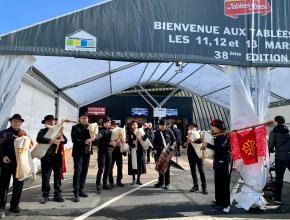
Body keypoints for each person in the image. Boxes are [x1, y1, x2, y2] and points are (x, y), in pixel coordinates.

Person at [0, 114, 28, 218]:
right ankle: (1, 208)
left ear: (21, 123)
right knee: (3, 186)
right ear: (11, 122)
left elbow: (28, 146)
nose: (16, 123)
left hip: (19, 164)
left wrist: (27, 137)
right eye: (14, 121)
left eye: (19, 121)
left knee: (18, 186)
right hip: (6, 163)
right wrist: (3, 156)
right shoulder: (4, 134)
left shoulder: (23, 134)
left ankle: (14, 205)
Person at [202, 119, 232, 213]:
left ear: (218, 127)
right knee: (218, 183)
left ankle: (225, 203)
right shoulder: (217, 136)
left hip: (224, 162)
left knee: (224, 184)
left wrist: (208, 145)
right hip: (218, 162)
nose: (212, 128)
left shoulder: (225, 136)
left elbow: (222, 148)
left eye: (213, 127)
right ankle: (219, 201)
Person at [37, 115, 67, 204]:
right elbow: (39, 139)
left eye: (52, 120)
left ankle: (57, 194)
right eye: (49, 121)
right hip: (46, 157)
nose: (51, 122)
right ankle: (45, 195)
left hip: (57, 157)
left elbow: (66, 140)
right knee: (46, 176)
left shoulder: (59, 130)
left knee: (57, 176)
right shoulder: (43, 131)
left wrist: (62, 139)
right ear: (45, 123)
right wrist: (51, 141)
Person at [71, 114, 94, 202]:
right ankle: (76, 192)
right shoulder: (75, 127)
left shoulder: (90, 128)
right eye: (84, 118)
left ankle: (81, 190)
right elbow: (74, 140)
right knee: (78, 171)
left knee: (84, 171)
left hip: (87, 152)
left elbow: (94, 139)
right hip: (78, 153)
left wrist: (94, 138)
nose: (86, 119)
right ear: (80, 119)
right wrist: (84, 141)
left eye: (87, 118)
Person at [268, 115, 290, 204]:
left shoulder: (274, 132)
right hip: (289, 157)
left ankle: (277, 198)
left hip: (280, 158)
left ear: (276, 122)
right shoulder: (288, 131)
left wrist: (273, 150)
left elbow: (270, 147)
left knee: (279, 178)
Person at [153, 119, 176, 189]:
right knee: (160, 167)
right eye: (161, 125)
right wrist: (154, 149)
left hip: (167, 151)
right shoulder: (156, 132)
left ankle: (167, 183)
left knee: (167, 168)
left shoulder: (169, 131)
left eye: (163, 125)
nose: (162, 126)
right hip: (159, 151)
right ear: (159, 125)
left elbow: (174, 140)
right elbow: (154, 142)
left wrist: (172, 146)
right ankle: (160, 182)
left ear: (166, 125)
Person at [186, 122, 207, 194]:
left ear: (196, 128)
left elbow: (200, 140)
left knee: (201, 171)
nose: (190, 128)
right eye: (189, 127)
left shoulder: (199, 133)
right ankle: (195, 186)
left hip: (198, 154)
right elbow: (187, 143)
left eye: (191, 127)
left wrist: (193, 141)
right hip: (190, 154)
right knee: (193, 171)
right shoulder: (189, 134)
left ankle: (204, 187)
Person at [95, 116, 115, 194]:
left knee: (108, 168)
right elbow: (98, 141)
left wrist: (116, 142)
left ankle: (104, 183)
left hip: (109, 152)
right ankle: (98, 185)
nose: (108, 124)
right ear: (103, 123)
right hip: (102, 152)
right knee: (101, 169)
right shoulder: (100, 131)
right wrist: (109, 143)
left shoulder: (111, 131)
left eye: (109, 122)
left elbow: (114, 140)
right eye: (106, 122)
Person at [127, 120, 147, 185]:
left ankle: (138, 179)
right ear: (131, 126)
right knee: (133, 164)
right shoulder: (130, 133)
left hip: (140, 151)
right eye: (133, 125)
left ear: (137, 125)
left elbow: (146, 138)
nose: (135, 126)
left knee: (139, 165)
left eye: (136, 124)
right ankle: (133, 179)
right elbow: (128, 141)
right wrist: (132, 142)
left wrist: (141, 138)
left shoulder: (140, 131)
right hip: (133, 150)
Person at [109, 121, 125, 187]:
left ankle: (119, 181)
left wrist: (122, 141)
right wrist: (112, 142)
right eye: (114, 125)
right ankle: (111, 181)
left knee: (120, 167)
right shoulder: (110, 132)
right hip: (111, 152)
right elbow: (108, 140)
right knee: (110, 168)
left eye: (116, 125)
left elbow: (123, 139)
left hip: (119, 151)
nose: (115, 127)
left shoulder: (121, 131)